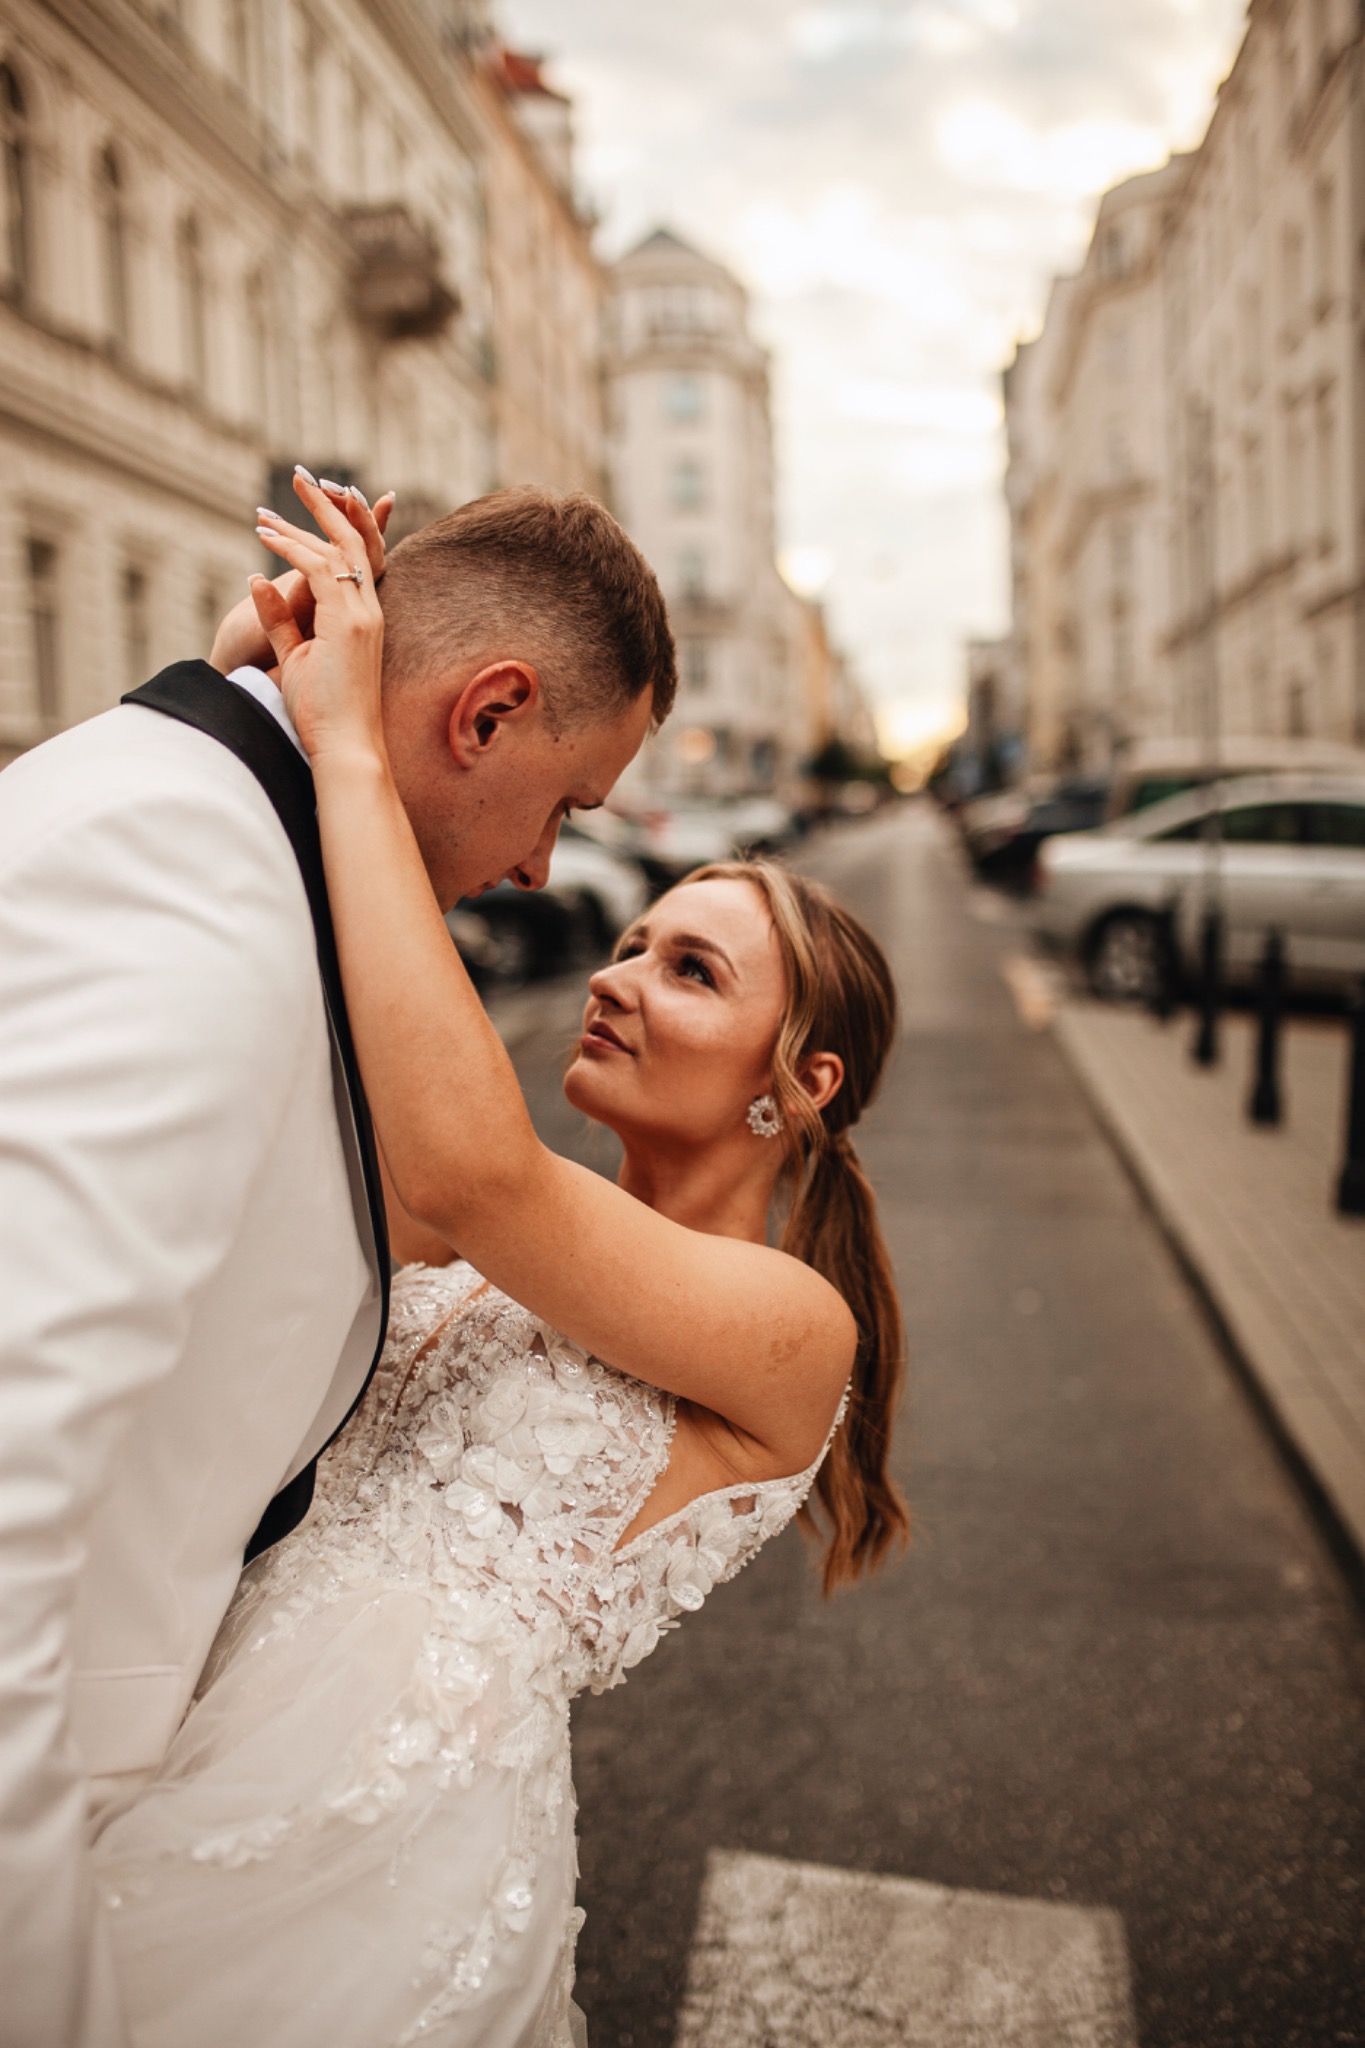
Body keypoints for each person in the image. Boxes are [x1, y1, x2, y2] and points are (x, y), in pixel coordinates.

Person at [89, 478, 909, 2046]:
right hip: (185, 1735)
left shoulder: (787, 1328)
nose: (611, 972)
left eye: (688, 969)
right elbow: (294, 1051)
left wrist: (340, 745)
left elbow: (472, 1169)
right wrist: (271, 684)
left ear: (799, 1082)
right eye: (631, 940)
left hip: (385, 1853)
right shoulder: (474, 1259)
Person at [0, 479, 675, 2048]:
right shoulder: (188, 881)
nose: (535, 871)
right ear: (488, 712)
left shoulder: (179, 796)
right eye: (567, 806)